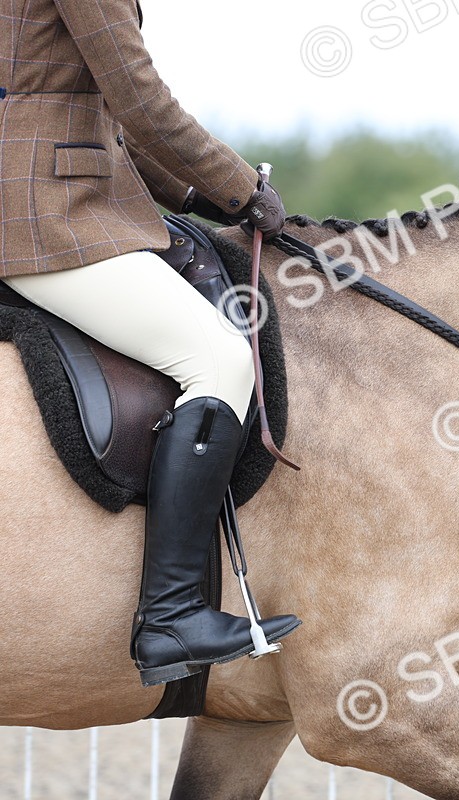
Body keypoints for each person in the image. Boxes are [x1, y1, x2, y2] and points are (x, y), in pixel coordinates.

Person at [0, 0, 300, 687]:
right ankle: (171, 616)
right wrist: (242, 189)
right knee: (219, 359)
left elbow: (92, 107)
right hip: (50, 215)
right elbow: (137, 96)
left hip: (49, 195)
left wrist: (190, 192)